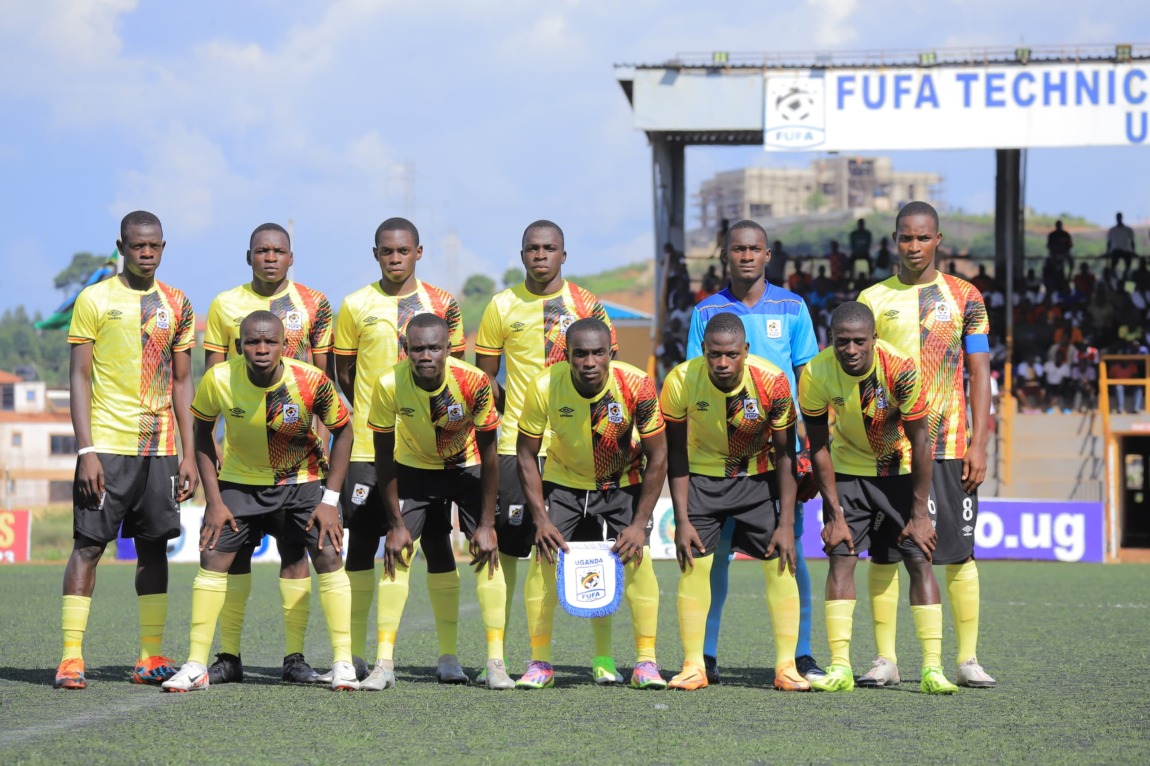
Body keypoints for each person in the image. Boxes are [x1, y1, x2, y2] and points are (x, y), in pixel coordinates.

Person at [164, 311, 356, 692]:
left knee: (327, 555)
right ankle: (199, 664)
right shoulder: (219, 379)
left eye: (270, 341)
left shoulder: (311, 380)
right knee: (214, 556)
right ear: (239, 346)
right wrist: (214, 501)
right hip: (241, 483)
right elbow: (202, 435)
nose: (262, 349)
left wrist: (330, 500)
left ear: (285, 346)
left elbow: (344, 432)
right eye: (253, 342)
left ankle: (341, 663)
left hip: (301, 481)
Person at [57, 210, 198, 690]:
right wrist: (86, 450)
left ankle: (150, 655)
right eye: (138, 245)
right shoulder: (94, 299)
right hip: (107, 447)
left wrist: (187, 452)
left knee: (154, 547)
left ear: (163, 247)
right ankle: (71, 658)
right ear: (121, 247)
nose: (146, 253)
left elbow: (183, 382)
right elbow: (78, 377)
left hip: (160, 450)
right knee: (88, 546)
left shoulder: (178, 303)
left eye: (154, 245)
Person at [474, 221, 619, 684]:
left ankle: (603, 659)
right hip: (518, 447)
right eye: (533, 248)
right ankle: (499, 658)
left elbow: (606, 368)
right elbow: (485, 378)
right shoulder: (501, 305)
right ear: (522, 255)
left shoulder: (587, 304)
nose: (541, 255)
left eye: (549, 248)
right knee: (511, 552)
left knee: (593, 552)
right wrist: (517, 414)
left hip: (579, 449)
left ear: (563, 255)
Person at [858, 201, 995, 688]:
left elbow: (980, 371)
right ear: (894, 240)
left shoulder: (966, 296)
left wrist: (979, 443)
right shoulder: (872, 298)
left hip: (950, 445)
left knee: (958, 554)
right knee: (885, 554)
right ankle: (886, 660)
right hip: (889, 448)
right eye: (905, 237)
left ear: (938, 240)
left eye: (922, 238)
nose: (913, 246)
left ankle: (967, 659)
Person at [685, 219, 823, 684]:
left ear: (767, 255)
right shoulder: (705, 311)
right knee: (714, 558)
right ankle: (704, 655)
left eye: (754, 249)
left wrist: (808, 447)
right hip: (718, 459)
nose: (746, 256)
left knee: (789, 552)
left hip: (777, 455)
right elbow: (694, 379)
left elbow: (809, 382)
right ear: (726, 255)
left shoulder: (793, 307)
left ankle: (800, 655)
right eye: (738, 249)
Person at [800, 302, 958, 695]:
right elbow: (818, 447)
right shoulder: (816, 373)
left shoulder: (901, 368)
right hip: (848, 472)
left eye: (859, 341)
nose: (850, 350)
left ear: (874, 339)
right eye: (842, 342)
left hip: (899, 470)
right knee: (841, 556)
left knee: (919, 558)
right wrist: (834, 513)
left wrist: (920, 514)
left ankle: (933, 668)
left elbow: (922, 442)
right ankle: (840, 666)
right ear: (830, 340)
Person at [200, 222, 334, 685]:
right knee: (233, 554)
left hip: (299, 463)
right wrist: (217, 450)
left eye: (278, 251)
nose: (270, 257)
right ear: (249, 256)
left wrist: (321, 441)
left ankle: (294, 658)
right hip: (241, 464)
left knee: (295, 553)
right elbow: (214, 382)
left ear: (291, 257)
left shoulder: (315, 304)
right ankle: (228, 657)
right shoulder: (224, 304)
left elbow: (323, 380)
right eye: (262, 251)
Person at [334, 217, 466, 683]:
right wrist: (379, 410)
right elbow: (345, 374)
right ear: (376, 254)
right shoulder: (354, 305)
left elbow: (455, 371)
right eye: (387, 251)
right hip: (369, 447)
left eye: (403, 251)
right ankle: (354, 654)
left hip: (429, 450)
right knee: (362, 544)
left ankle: (448, 656)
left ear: (418, 252)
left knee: (437, 543)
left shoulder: (443, 304)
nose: (395, 258)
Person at [514, 318, 667, 689]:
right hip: (564, 483)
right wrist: (541, 520)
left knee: (637, 563)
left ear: (611, 353)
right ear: (566, 355)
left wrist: (639, 524)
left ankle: (644, 663)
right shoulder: (544, 385)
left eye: (598, 353)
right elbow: (525, 453)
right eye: (580, 354)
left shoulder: (637, 384)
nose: (589, 362)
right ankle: (540, 663)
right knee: (543, 562)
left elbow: (659, 455)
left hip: (623, 483)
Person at [365, 314, 513, 690]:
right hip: (414, 470)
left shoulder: (474, 382)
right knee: (397, 553)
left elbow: (490, 454)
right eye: (418, 348)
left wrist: (487, 524)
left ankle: (495, 663)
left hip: (468, 467)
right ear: (406, 350)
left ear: (449, 349)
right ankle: (383, 665)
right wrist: (395, 524)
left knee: (487, 553)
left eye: (434, 348)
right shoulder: (388, 383)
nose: (426, 355)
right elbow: (382, 456)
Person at [661, 313, 808, 692]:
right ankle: (694, 666)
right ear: (703, 351)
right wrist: (682, 519)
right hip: (702, 479)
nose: (722, 363)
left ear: (746, 350)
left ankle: (786, 667)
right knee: (693, 566)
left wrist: (786, 524)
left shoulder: (773, 381)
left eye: (731, 354)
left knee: (781, 565)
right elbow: (675, 453)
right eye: (714, 355)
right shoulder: (680, 381)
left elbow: (786, 455)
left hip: (758, 478)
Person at [1107, 212, 1137, 281]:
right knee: (1113, 264)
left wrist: (1133, 251)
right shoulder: (1112, 230)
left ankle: (1125, 275)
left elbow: (1132, 241)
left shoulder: (1128, 229)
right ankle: (1114, 275)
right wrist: (1108, 251)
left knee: (1128, 264)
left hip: (1126, 251)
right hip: (1116, 251)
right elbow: (1109, 242)